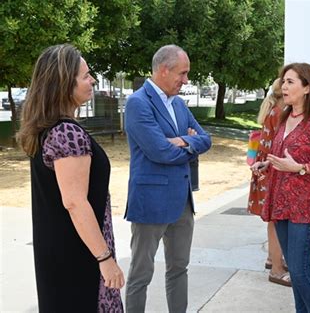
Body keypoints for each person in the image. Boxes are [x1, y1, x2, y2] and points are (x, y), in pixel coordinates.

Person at [16, 44, 124, 312]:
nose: (93, 80)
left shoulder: (47, 129)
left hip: (60, 251)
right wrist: (105, 258)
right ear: (64, 83)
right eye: (86, 75)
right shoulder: (66, 132)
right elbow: (75, 202)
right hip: (79, 256)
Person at [124, 44, 211, 313]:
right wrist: (189, 143)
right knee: (140, 275)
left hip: (182, 203)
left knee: (178, 269)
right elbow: (159, 152)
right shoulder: (138, 103)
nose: (186, 80)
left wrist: (180, 141)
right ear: (164, 70)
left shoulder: (180, 104)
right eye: (182, 74)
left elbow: (206, 140)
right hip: (150, 202)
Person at [260, 63, 310, 312]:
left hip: (306, 206)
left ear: (307, 87)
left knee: (301, 271)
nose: (284, 86)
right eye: (283, 81)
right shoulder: (285, 116)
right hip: (281, 203)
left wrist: (300, 168)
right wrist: (266, 163)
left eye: (290, 81)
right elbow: (283, 155)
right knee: (293, 269)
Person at [248, 78, 290, 286]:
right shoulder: (281, 112)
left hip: (266, 169)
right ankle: (276, 268)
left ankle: (272, 259)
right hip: (272, 170)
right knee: (275, 220)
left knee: (274, 219)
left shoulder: (273, 109)